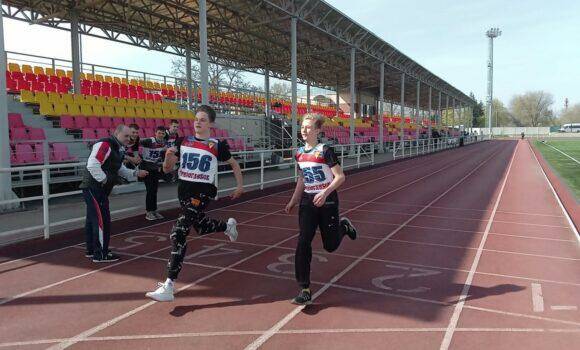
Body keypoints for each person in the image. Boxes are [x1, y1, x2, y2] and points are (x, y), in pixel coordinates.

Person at [146, 105, 244, 302]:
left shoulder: (217, 145)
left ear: (211, 124)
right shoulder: (183, 141)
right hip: (184, 191)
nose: (198, 122)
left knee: (179, 231)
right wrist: (167, 159)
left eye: (203, 120)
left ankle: (169, 285)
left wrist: (239, 186)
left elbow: (233, 164)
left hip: (203, 192)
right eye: (196, 119)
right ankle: (227, 226)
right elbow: (167, 170)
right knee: (199, 225)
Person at [284, 113, 358, 305]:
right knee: (303, 242)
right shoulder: (299, 153)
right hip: (308, 202)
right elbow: (302, 178)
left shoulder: (325, 150)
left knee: (330, 246)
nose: (304, 129)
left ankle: (343, 226)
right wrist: (293, 200)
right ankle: (304, 288)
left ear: (317, 130)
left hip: (328, 201)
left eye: (309, 127)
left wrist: (325, 193)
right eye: (302, 126)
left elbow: (340, 177)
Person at [80, 125, 148, 262]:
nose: (129, 139)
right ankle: (101, 254)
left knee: (93, 220)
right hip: (94, 187)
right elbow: (92, 164)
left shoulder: (118, 148)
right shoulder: (105, 144)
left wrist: (135, 173)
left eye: (131, 136)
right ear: (117, 134)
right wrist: (104, 180)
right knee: (101, 220)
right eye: (126, 136)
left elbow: (119, 169)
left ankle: (93, 250)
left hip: (97, 188)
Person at [140, 126, 168, 220]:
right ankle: (149, 212)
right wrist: (136, 154)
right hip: (146, 169)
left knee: (154, 190)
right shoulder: (149, 141)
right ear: (155, 133)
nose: (161, 135)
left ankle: (154, 210)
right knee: (150, 190)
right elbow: (136, 142)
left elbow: (161, 156)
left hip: (155, 169)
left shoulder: (164, 143)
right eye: (159, 133)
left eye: (163, 133)